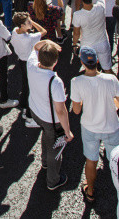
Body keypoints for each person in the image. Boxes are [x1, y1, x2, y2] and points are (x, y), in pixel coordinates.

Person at [71, 46, 119, 204]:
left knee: (91, 160)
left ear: (82, 63)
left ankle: (90, 191)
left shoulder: (76, 82)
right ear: (97, 61)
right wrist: (110, 99)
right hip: (112, 127)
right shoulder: (111, 80)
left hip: (89, 127)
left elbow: (76, 110)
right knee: (117, 162)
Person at [27, 39, 73, 190]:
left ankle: (45, 161)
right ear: (56, 61)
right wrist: (67, 131)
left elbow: (35, 47)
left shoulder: (31, 65)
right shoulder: (55, 81)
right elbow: (60, 110)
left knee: (47, 134)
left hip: (35, 112)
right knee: (55, 148)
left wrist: (47, 42)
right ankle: (53, 180)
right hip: (50, 119)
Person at [11, 13, 45, 128]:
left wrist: (28, 23)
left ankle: (24, 106)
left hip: (22, 60)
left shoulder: (15, 31)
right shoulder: (29, 38)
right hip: (30, 63)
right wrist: (33, 23)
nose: (30, 23)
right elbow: (43, 31)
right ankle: (30, 117)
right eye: (28, 22)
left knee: (26, 84)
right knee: (32, 89)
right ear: (22, 25)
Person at [71, 0, 113, 72]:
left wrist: (74, 44)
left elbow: (76, 34)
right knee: (108, 69)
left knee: (90, 71)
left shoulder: (77, 15)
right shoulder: (101, 7)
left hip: (87, 46)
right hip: (102, 43)